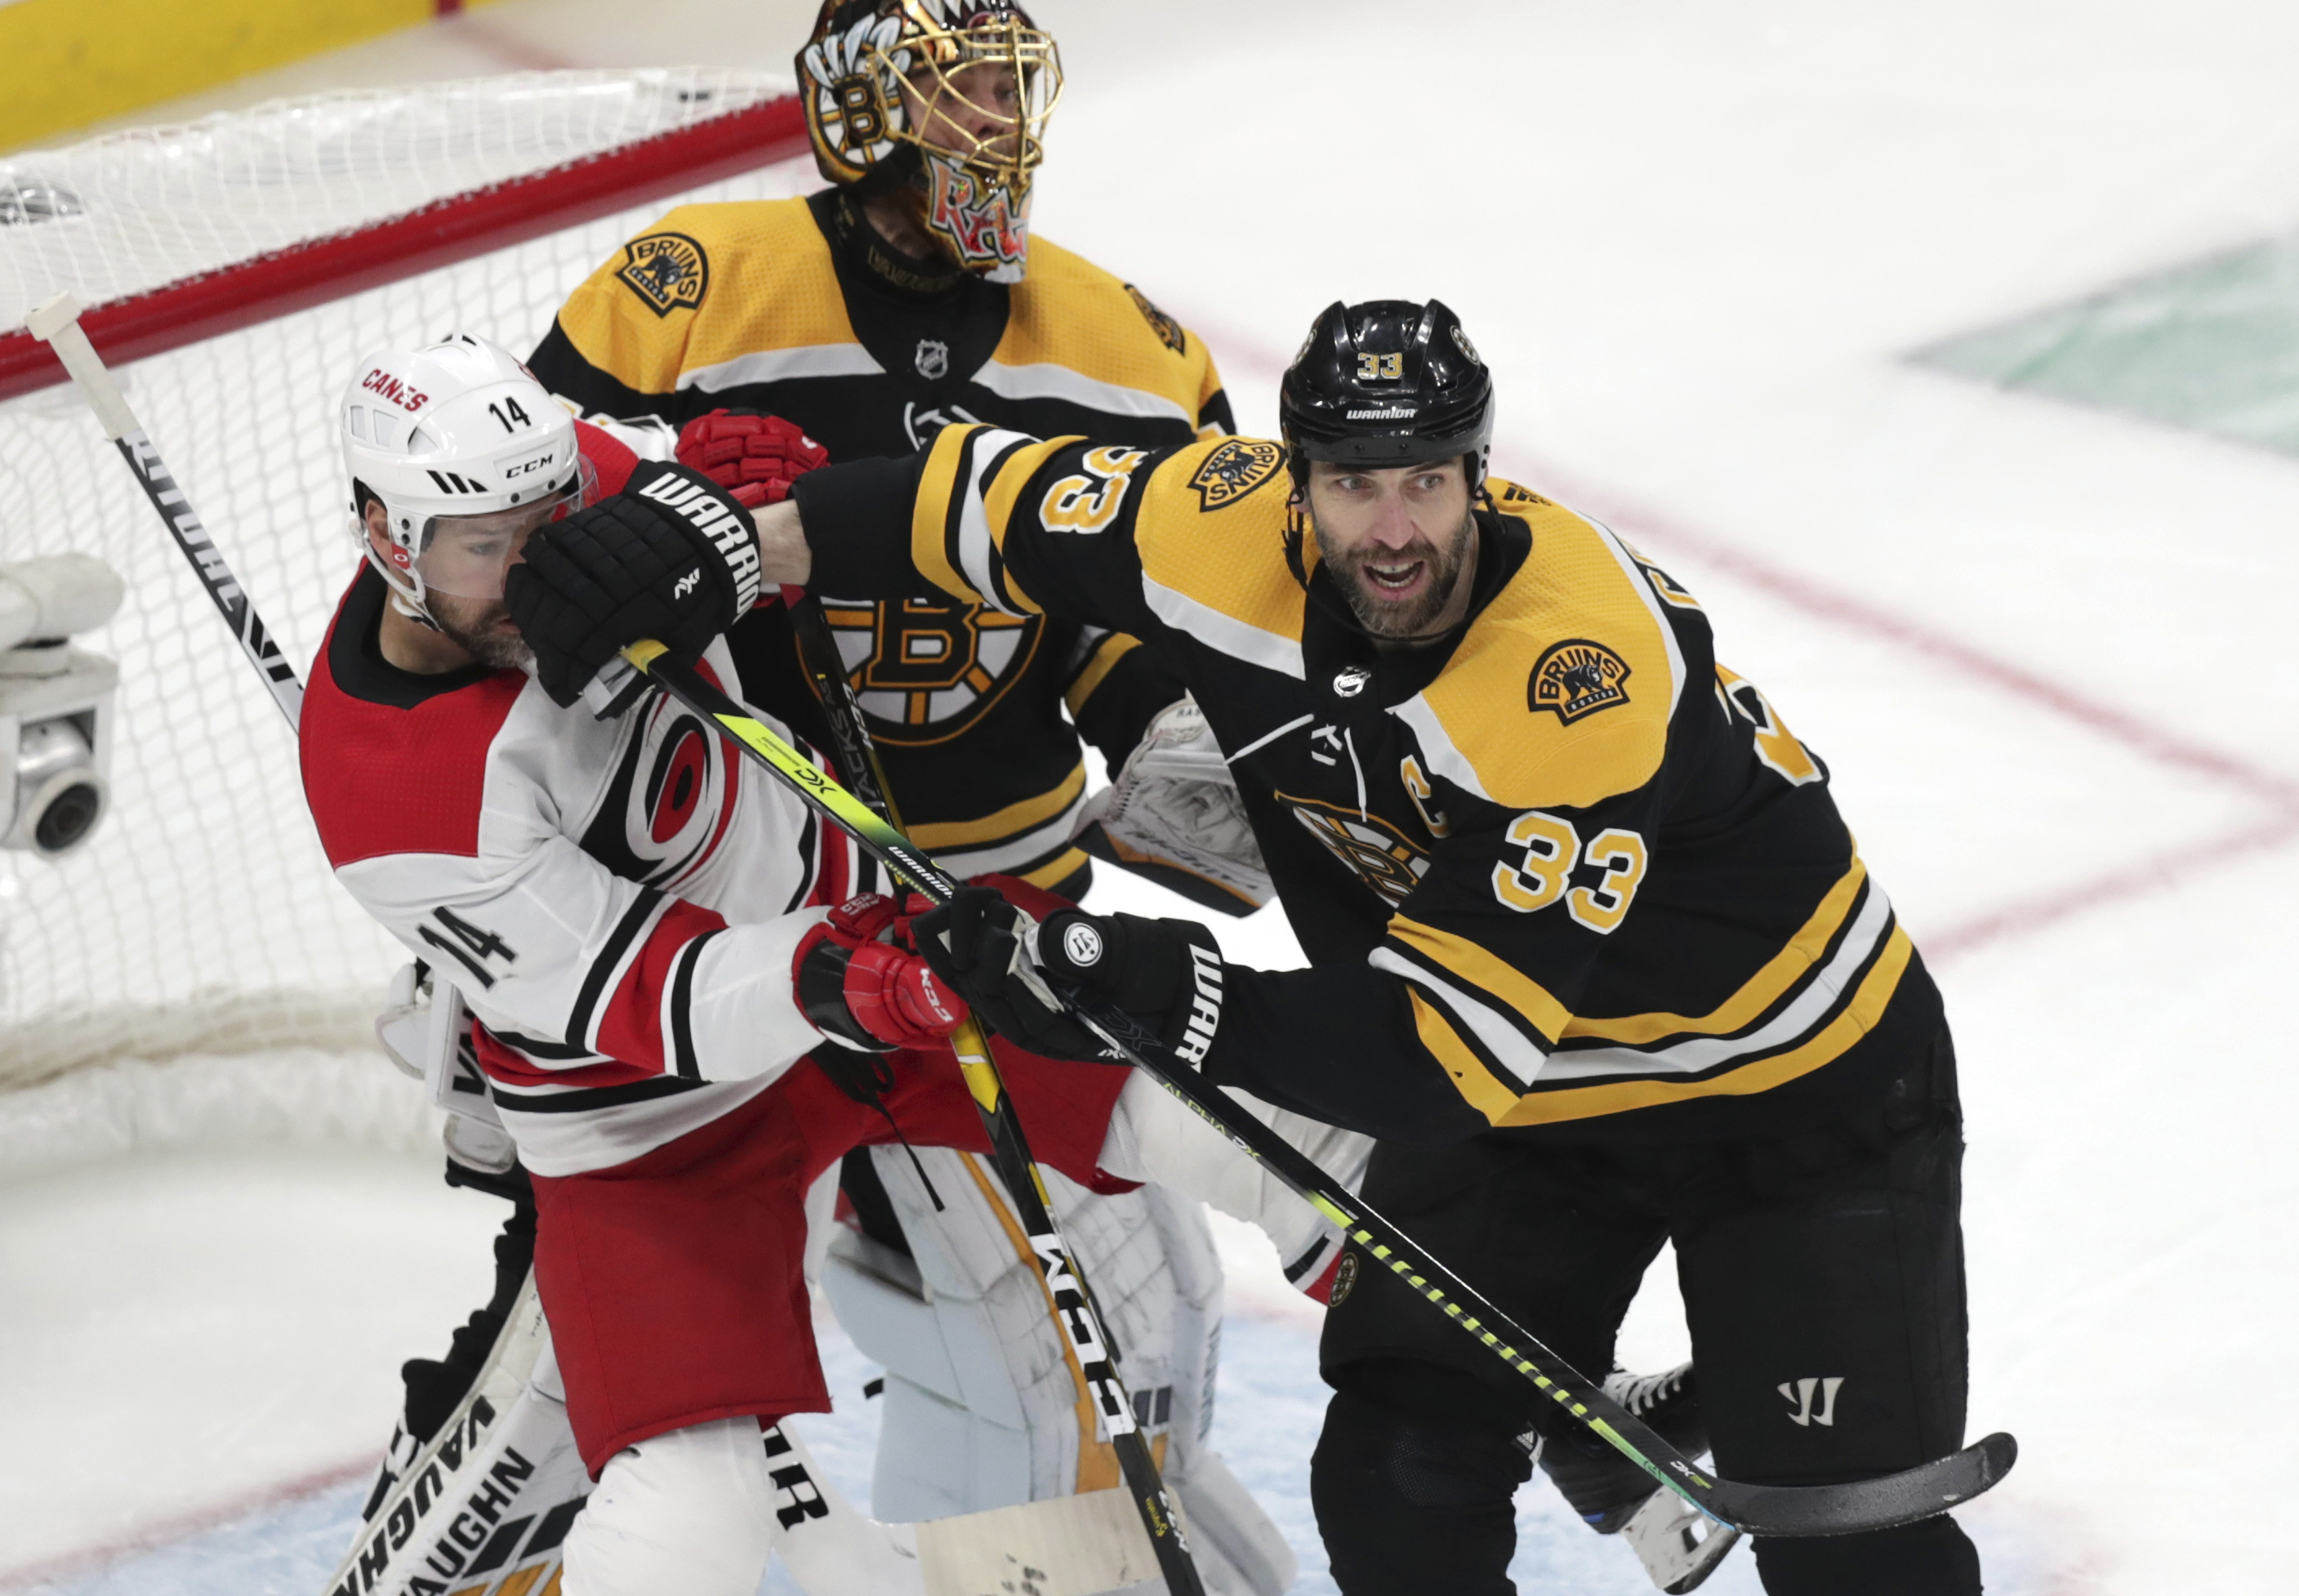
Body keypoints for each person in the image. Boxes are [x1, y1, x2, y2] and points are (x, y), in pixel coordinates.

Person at [510, 298, 1980, 1594]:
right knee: (1397, 1486)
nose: (1393, 527)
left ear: (1477, 471)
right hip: (1545, 1102)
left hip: (1792, 1088)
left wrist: (1145, 984)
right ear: (1296, 479)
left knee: (1854, 1551)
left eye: (1427, 479)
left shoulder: (1571, 674)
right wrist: (725, 545)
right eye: (1354, 483)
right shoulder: (1208, 522)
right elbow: (968, 502)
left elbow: (1433, 1062)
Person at [506, 0, 1352, 1554]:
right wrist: (673, 516)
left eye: (1007, 93)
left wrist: (1177, 731)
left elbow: (1141, 615)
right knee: (610, 1396)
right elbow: (523, 592)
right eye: (956, 97)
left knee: (1133, 1343)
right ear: (857, 114)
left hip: (999, 913)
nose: (997, 133)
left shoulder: (1130, 353)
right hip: (721, 914)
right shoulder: (688, 293)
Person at [311, 332, 1330, 1595]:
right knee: (690, 1516)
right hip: (650, 1119)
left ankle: (1456, 1352)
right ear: (388, 537)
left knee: (1239, 1104)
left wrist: (720, 511)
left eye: (549, 520)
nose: (534, 568)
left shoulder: (562, 483)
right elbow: (654, 997)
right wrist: (840, 975)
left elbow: (689, 539)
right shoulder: (393, 795)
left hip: (858, 928)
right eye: (486, 547)